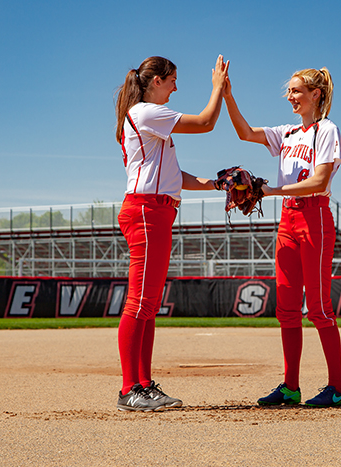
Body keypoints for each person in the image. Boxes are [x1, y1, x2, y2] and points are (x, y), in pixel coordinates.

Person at [223, 67, 341, 407]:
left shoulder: (326, 129)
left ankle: (337, 388)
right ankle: (291, 386)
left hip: (315, 217)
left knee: (319, 308)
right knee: (287, 308)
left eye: (296, 91)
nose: (290, 97)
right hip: (288, 220)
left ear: (315, 94)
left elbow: (319, 182)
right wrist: (227, 94)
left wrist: (270, 190)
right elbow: (245, 132)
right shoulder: (288, 132)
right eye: (289, 92)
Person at [114, 55, 229, 411]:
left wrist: (217, 184)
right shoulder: (147, 112)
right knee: (139, 303)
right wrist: (218, 88)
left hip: (158, 209)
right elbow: (207, 122)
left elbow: (175, 178)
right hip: (146, 210)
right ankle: (128, 388)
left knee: (148, 305)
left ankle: (144, 384)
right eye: (173, 80)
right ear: (156, 81)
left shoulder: (151, 119)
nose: (176, 87)